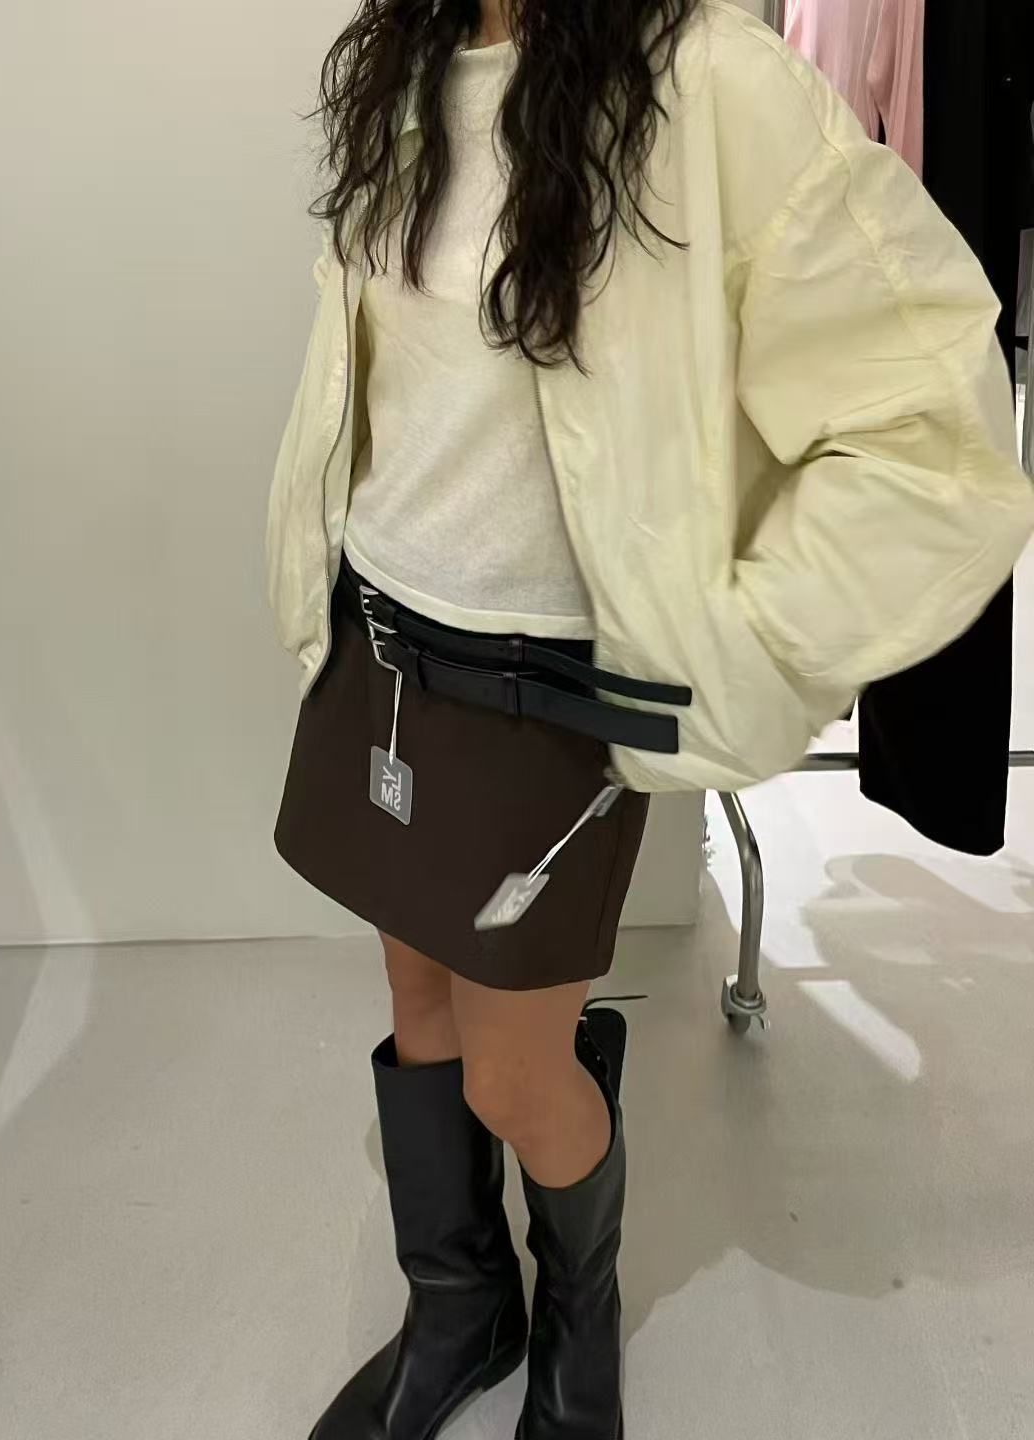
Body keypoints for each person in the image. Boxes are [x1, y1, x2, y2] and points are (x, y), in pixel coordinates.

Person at [266, 0, 1034, 1436]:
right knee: (419, 1011)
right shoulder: (406, 65)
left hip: (543, 692)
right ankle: (459, 1311)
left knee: (514, 1076)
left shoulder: (710, 82)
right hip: (384, 644)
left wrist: (745, 642)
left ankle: (580, 1312)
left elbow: (932, 425)